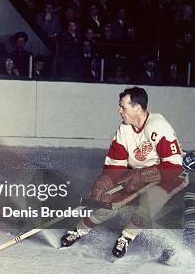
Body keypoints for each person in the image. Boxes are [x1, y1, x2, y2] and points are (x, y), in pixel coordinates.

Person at [61, 87, 185, 257]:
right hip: (136, 174)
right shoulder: (124, 130)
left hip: (168, 176)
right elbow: (115, 168)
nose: (119, 111)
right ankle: (79, 230)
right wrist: (103, 183)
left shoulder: (158, 126)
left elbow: (174, 168)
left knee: (150, 202)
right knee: (109, 202)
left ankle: (126, 237)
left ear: (137, 107)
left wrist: (143, 175)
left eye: (123, 107)